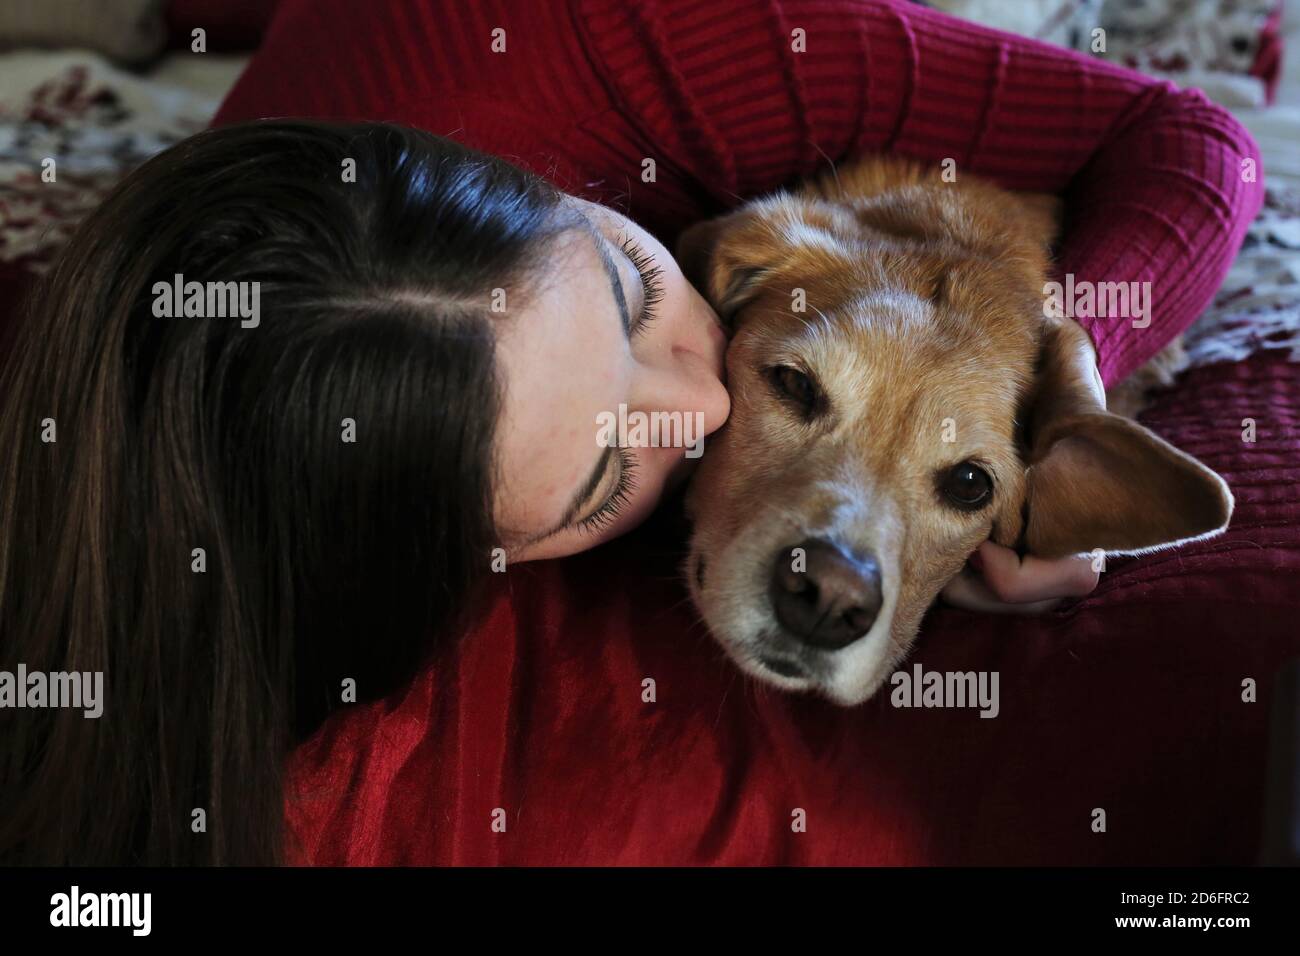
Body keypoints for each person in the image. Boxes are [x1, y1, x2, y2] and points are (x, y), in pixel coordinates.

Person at [0, 0, 1260, 865]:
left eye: (636, 291)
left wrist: (1058, 364)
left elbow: (1195, 142)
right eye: (612, 469)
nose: (710, 406)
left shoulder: (633, 40)